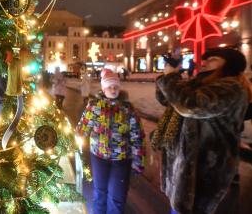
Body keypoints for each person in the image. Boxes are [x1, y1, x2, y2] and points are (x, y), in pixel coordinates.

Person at [154, 48, 250, 214]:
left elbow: (189, 105)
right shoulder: (199, 83)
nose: (204, 62)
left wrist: (170, 78)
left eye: (212, 59)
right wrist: (169, 73)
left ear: (229, 65)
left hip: (205, 169)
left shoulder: (231, 87)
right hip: (183, 168)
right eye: (204, 59)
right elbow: (166, 99)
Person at [77, 69, 146, 214]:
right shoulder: (95, 106)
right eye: (109, 86)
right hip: (99, 157)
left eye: (115, 86)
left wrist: (138, 160)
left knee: (117, 197)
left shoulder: (128, 109)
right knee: (100, 193)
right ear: (103, 88)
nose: (113, 89)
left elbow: (137, 135)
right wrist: (73, 141)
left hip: (121, 159)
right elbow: (83, 128)